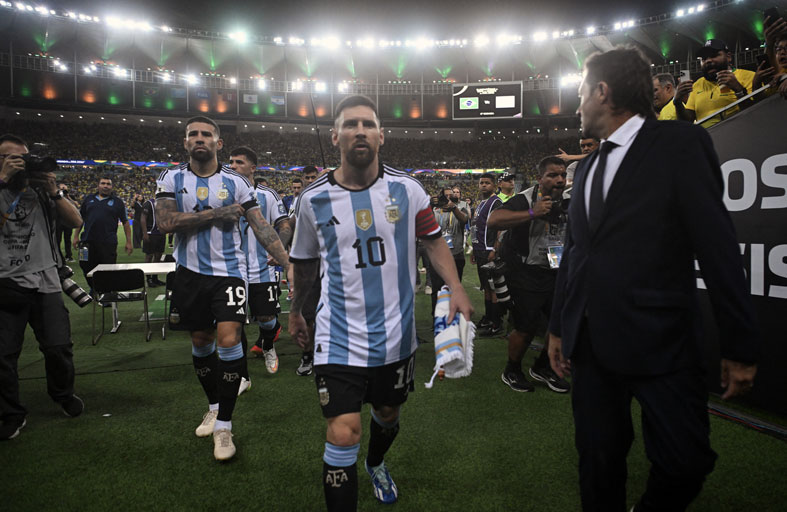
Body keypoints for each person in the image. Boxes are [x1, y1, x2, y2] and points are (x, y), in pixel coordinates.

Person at [547, 46, 759, 511]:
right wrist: (560, 326)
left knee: (686, 463)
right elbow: (577, 254)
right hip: (591, 346)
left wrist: (739, 345)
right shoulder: (587, 167)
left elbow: (718, 248)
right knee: (598, 463)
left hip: (663, 342)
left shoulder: (681, 143)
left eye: (581, 93)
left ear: (603, 92)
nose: (576, 105)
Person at [288, 95, 473, 511]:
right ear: (335, 136)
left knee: (388, 413)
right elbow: (305, 263)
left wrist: (456, 286)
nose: (360, 131)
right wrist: (297, 310)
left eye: (368, 124)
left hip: (395, 333)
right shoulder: (312, 199)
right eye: (350, 124)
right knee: (343, 432)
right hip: (337, 335)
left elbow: (432, 241)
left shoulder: (408, 190)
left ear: (381, 136)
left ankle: (376, 462)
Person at [155, 116, 291, 461]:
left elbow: (261, 226)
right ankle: (214, 407)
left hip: (229, 272)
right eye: (193, 134)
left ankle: (225, 426)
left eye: (206, 134)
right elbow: (166, 223)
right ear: (185, 142)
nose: (199, 138)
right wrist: (218, 213)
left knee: (229, 340)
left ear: (218, 143)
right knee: (202, 342)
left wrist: (288, 263)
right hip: (189, 273)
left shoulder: (237, 182)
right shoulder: (171, 177)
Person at [0, 134, 84, 440]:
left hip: (46, 281)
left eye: (23, 157)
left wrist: (54, 191)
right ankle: (11, 413)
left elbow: (75, 221)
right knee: (4, 355)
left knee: (59, 347)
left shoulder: (41, 192)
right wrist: (3, 180)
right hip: (6, 282)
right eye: (11, 157)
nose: (20, 163)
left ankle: (63, 394)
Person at [488, 156, 571, 394]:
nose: (559, 180)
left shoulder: (569, 199)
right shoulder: (525, 198)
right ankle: (512, 370)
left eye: (562, 175)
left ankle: (543, 367)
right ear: (539, 178)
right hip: (526, 272)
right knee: (526, 326)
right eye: (552, 175)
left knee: (561, 324)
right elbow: (494, 220)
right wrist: (533, 213)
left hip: (557, 271)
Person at [230, 146, 291, 381]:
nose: (233, 166)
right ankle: (241, 375)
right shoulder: (223, 192)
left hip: (261, 268)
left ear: (253, 168)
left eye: (239, 162)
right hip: (231, 269)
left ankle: (268, 345)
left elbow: (284, 225)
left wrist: (279, 248)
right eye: (231, 162)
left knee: (267, 319)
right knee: (233, 323)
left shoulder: (268, 195)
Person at [674, 39, 761, 127]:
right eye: (704, 59)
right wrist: (677, 102)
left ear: (728, 57)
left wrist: (739, 90)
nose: (708, 61)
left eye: (714, 55)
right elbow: (687, 122)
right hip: (707, 135)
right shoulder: (698, 84)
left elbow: (757, 114)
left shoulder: (749, 76)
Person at [288, 165, 321, 377]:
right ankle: (307, 355)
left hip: (333, 264)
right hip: (309, 263)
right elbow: (292, 223)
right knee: (308, 314)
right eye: (307, 177)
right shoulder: (300, 200)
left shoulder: (333, 195)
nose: (310, 180)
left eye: (313, 177)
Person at [71, 175, 133, 290]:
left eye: (108, 184)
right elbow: (80, 219)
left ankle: (105, 292)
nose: (105, 186)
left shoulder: (118, 202)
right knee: (84, 266)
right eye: (103, 183)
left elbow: (125, 222)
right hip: (86, 242)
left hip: (108, 243)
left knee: (108, 269)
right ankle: (94, 288)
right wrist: (75, 236)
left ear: (112, 187)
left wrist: (129, 242)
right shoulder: (88, 199)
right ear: (98, 186)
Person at [471, 173, 503, 335]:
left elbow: (500, 227)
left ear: (494, 185)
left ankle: (496, 322)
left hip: (489, 250)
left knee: (493, 287)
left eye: (487, 183)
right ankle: (488, 317)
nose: (483, 185)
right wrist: (474, 248)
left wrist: (495, 249)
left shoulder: (495, 202)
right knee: (486, 287)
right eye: (481, 182)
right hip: (480, 249)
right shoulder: (481, 203)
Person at [428, 187, 469, 315]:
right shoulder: (434, 210)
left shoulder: (460, 208)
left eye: (450, 196)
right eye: (445, 196)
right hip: (437, 257)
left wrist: (454, 208)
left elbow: (464, 219)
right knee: (436, 289)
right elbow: (424, 222)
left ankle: (453, 316)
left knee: (454, 289)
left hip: (456, 255)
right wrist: (430, 205)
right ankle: (437, 317)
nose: (447, 199)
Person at [139, 196, 165, 287]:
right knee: (149, 256)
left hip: (160, 233)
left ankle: (155, 278)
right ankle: (148, 278)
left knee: (158, 255)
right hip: (151, 233)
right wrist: (145, 233)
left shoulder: (163, 204)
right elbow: (143, 218)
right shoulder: (148, 203)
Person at [55, 184, 75, 262]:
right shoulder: (56, 197)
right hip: (58, 221)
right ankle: (57, 256)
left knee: (68, 240)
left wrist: (68, 197)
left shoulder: (70, 197)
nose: (63, 190)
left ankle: (69, 256)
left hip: (68, 221)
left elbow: (75, 205)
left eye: (65, 188)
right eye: (62, 188)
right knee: (57, 240)